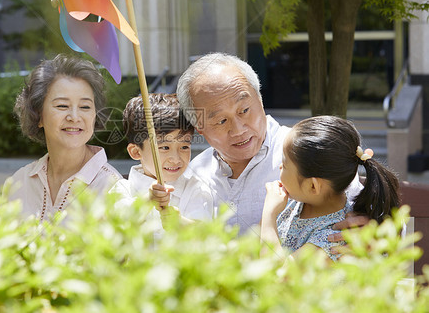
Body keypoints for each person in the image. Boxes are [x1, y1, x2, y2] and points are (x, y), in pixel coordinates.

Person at [151, 52, 364, 236]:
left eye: (244, 110)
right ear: (199, 127)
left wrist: (371, 222)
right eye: (221, 121)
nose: (239, 129)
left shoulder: (310, 152)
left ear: (260, 100)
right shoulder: (193, 174)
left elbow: (364, 210)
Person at [260, 116, 401, 261]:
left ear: (312, 186)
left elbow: (277, 275)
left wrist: (269, 214)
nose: (280, 167)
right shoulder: (293, 202)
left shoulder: (336, 237)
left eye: (285, 163)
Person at [8, 54, 121, 221]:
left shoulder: (113, 189)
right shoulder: (19, 182)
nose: (74, 117)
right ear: (38, 115)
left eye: (85, 106)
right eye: (62, 105)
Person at [110, 93, 213, 225]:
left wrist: (180, 223)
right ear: (136, 152)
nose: (176, 159)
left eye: (184, 147)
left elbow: (206, 234)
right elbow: (117, 226)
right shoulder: (122, 189)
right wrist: (148, 201)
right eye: (164, 148)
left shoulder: (195, 188)